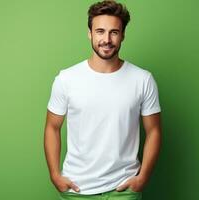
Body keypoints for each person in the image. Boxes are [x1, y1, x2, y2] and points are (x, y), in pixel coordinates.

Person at [44, 1, 162, 199]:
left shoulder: (143, 79)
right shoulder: (66, 79)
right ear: (90, 33)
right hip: (77, 190)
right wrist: (55, 175)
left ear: (123, 35)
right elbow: (52, 127)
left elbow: (154, 131)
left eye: (114, 32)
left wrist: (143, 178)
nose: (106, 39)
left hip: (124, 189)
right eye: (100, 31)